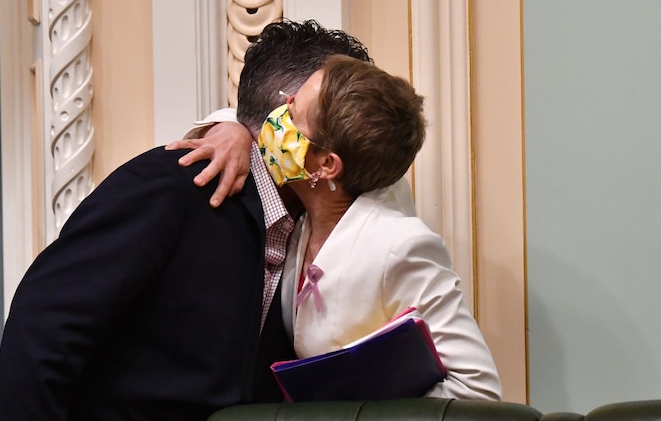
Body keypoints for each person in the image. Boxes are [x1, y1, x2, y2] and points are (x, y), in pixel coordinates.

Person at [0, 20, 374, 421]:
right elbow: (47, 318)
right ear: (290, 116)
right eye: (343, 105)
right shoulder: (170, 186)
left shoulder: (319, 222)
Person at [177, 55, 501, 399]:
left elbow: (477, 390)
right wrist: (233, 129)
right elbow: (251, 120)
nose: (281, 110)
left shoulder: (400, 245)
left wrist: (352, 420)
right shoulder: (305, 209)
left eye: (292, 113)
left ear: (326, 165)